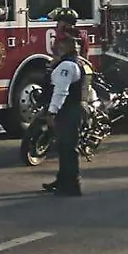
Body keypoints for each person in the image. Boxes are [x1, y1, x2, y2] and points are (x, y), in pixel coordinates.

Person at [43, 32, 92, 196]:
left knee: (68, 148)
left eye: (59, 46)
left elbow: (61, 91)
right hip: (74, 109)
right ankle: (63, 180)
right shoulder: (74, 63)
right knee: (64, 147)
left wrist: (52, 112)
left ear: (64, 48)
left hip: (68, 110)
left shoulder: (66, 66)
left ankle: (72, 185)